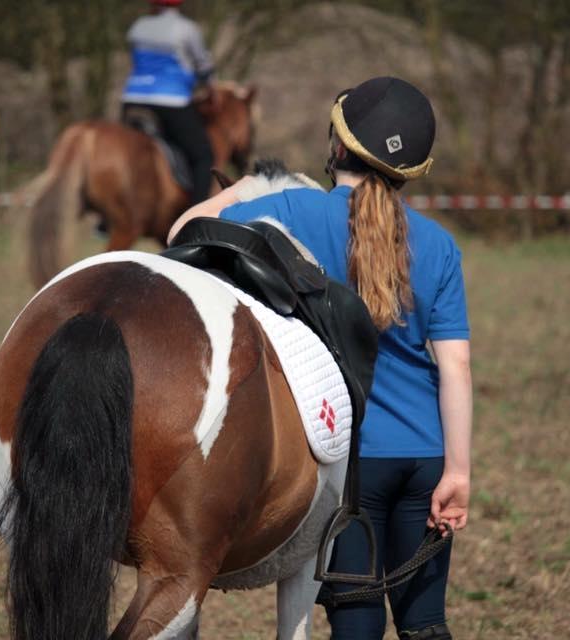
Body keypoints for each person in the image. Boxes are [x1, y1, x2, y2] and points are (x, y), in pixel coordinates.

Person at [168, 76, 472, 640]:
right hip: (425, 457)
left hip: (350, 466)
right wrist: (457, 471)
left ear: (337, 146)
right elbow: (455, 367)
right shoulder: (439, 245)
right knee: (427, 625)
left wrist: (242, 190)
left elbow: (183, 234)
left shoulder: (293, 208)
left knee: (357, 625)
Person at [121, 0, 216, 204]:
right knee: (203, 156)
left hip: (132, 99)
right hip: (171, 101)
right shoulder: (186, 28)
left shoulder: (138, 26)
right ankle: (195, 215)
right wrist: (208, 85)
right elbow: (203, 65)